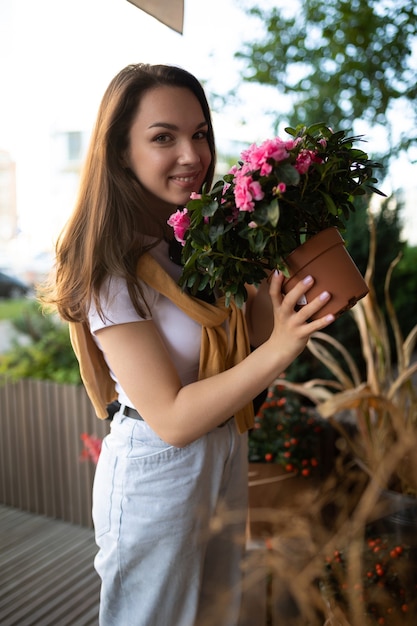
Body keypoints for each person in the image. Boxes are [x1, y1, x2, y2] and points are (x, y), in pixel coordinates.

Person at [41, 63, 334, 626]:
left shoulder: (191, 240)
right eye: (163, 137)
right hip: (158, 465)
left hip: (221, 448)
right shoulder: (109, 266)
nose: (191, 154)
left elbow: (239, 342)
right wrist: (280, 351)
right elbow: (173, 417)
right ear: (120, 151)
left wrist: (282, 279)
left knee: (215, 616)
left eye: (199, 133)